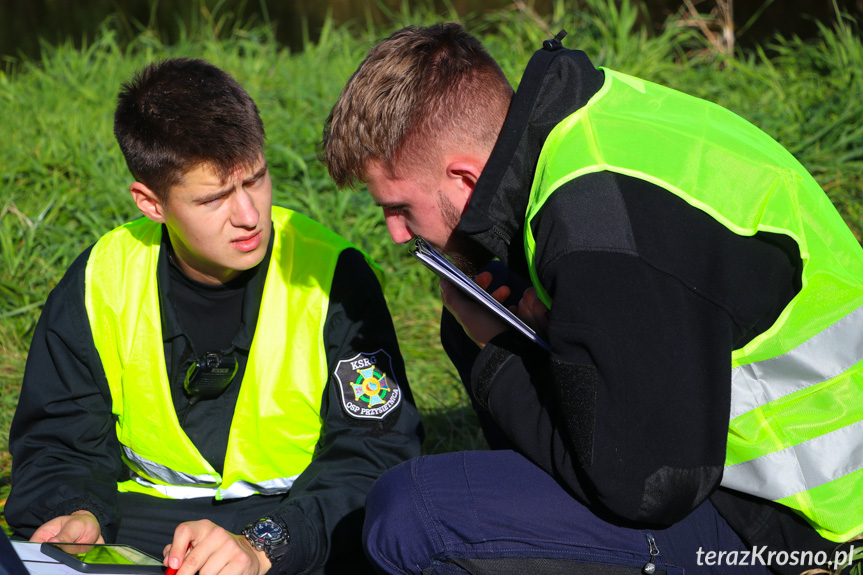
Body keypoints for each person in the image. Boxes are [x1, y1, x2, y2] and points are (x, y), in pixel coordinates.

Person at [322, 22, 863, 575]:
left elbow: (646, 488)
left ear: (464, 177)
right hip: (732, 456)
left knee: (412, 515)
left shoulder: (593, 232)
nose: (394, 233)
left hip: (790, 518)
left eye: (399, 208)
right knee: (473, 303)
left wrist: (498, 352)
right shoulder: (584, 119)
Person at [5, 57, 423, 575]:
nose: (249, 216)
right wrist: (74, 513)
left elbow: (376, 459)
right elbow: (56, 442)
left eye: (256, 180)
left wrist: (263, 546)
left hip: (298, 529)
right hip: (135, 533)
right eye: (214, 199)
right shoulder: (99, 280)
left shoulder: (333, 275)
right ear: (151, 203)